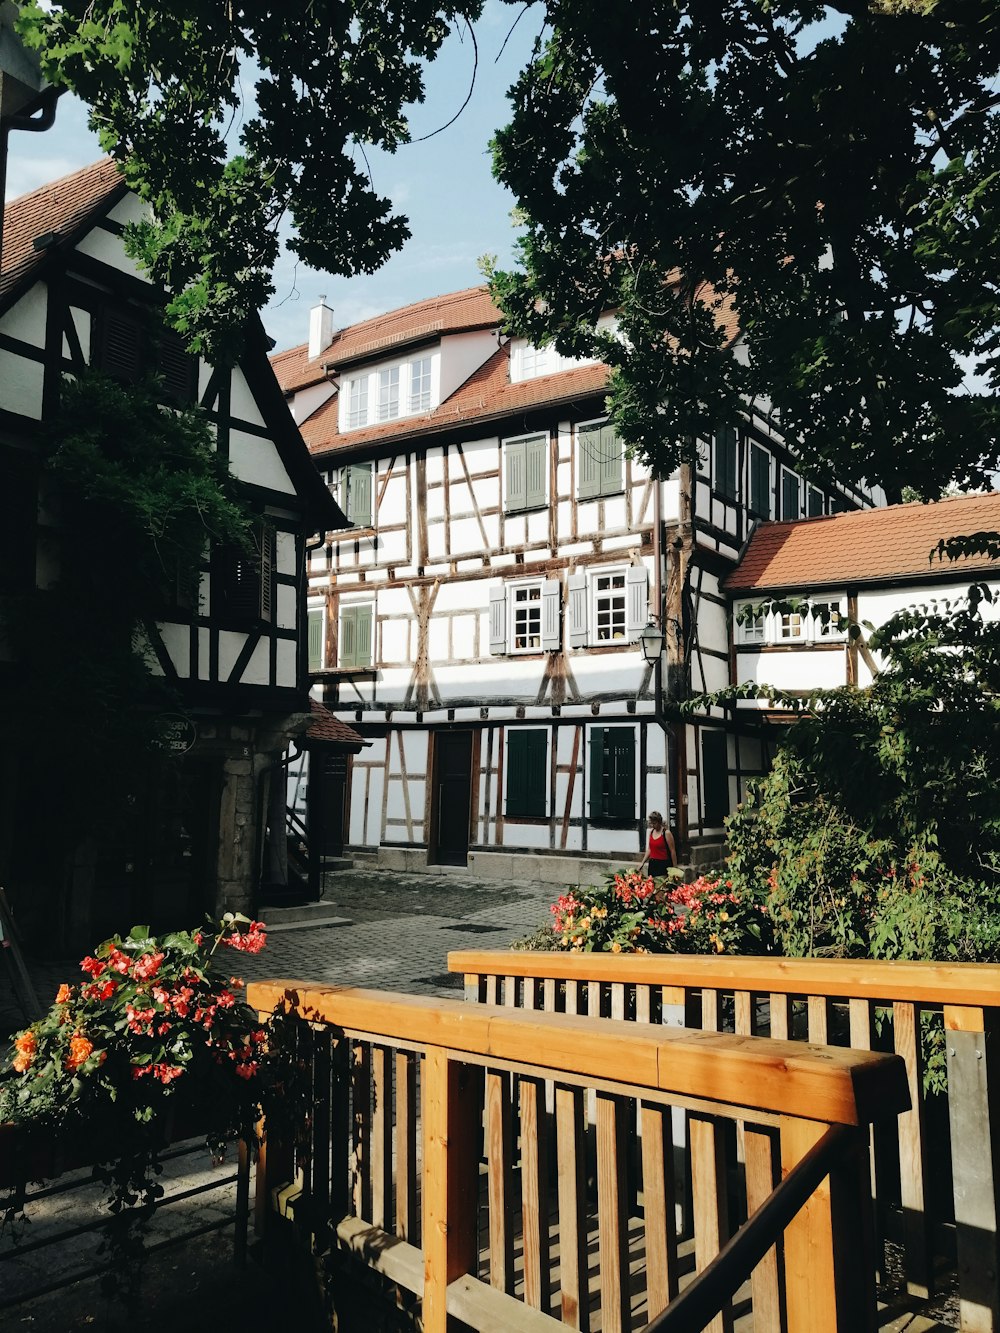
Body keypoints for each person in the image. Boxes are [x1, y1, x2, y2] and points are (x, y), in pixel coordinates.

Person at [637, 811, 677, 879]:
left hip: (663, 864)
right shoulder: (651, 832)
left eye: (654, 823)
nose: (652, 825)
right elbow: (650, 849)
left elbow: (672, 851)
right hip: (652, 864)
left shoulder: (666, 833)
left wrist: (675, 869)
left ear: (659, 822)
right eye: (651, 823)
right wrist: (642, 862)